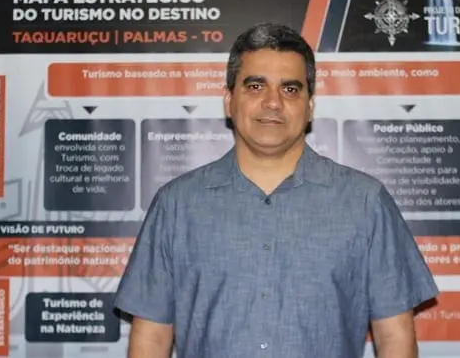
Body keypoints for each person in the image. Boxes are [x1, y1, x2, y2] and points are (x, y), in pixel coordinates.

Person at [113, 22, 439, 358]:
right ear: (229, 100)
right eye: (255, 86)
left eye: (290, 89)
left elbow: (394, 337)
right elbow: (151, 339)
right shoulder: (176, 204)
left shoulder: (366, 202)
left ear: (310, 106)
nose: (273, 102)